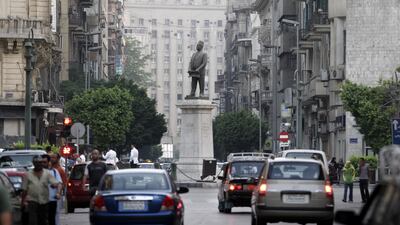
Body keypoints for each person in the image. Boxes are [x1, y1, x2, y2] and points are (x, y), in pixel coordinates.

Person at [22, 155, 62, 225]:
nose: (40, 164)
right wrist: (22, 202)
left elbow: (57, 183)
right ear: (34, 163)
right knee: (33, 221)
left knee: (43, 221)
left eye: (41, 162)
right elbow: (24, 190)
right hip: (32, 202)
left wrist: (57, 191)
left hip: (44, 203)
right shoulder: (28, 175)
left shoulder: (47, 173)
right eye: (37, 163)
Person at [43, 155, 62, 225]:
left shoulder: (54, 171)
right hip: (40, 201)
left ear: (48, 162)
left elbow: (59, 183)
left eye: (44, 162)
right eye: (41, 162)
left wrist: (58, 193)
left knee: (51, 219)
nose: (42, 164)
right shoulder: (37, 173)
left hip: (51, 199)